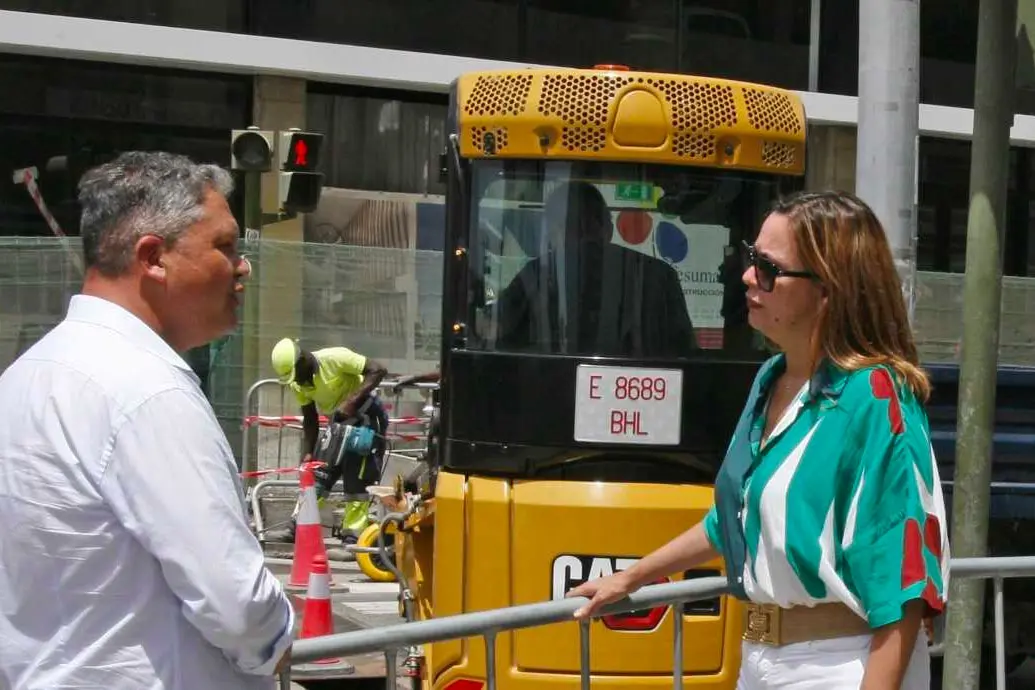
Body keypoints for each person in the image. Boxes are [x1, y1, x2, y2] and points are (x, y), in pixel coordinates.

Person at [567, 190, 950, 690]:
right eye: (751, 258)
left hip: (841, 665)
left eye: (769, 267)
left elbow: (902, 588)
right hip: (762, 661)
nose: (748, 276)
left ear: (828, 289)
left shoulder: (876, 397)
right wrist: (632, 577)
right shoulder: (771, 378)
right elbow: (737, 520)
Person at [0, 151, 293, 688]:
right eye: (225, 246)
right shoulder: (147, 391)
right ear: (154, 257)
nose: (242, 265)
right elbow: (236, 604)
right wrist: (277, 639)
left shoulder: (25, 377)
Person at [493, 181, 697, 357]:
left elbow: (497, 338)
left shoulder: (535, 274)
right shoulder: (659, 275)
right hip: (639, 398)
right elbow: (684, 352)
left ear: (555, 228)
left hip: (548, 393)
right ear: (607, 227)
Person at [266, 338, 388, 548]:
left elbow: (378, 370)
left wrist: (352, 400)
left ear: (303, 360)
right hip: (337, 425)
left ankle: (353, 539)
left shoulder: (336, 358)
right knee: (319, 475)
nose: (299, 382)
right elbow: (310, 419)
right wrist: (308, 453)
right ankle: (298, 526)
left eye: (298, 375)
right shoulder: (298, 382)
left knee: (357, 479)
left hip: (366, 418)